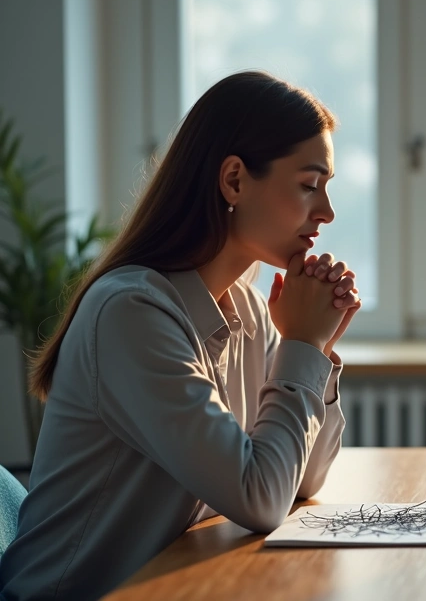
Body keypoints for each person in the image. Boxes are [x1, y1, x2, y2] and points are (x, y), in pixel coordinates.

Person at [0, 71, 360, 600]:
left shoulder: (249, 311)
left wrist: (316, 348)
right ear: (234, 180)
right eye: (309, 185)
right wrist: (302, 348)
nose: (326, 212)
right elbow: (261, 499)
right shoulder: (131, 313)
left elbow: (302, 482)